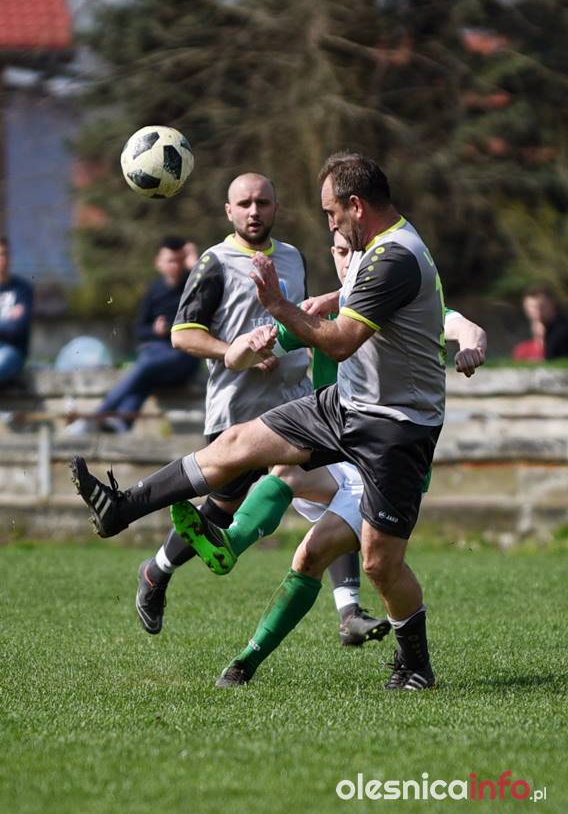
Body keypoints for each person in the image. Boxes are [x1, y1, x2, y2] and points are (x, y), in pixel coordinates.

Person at [71, 152, 448, 691]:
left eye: (331, 213)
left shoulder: (396, 257)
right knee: (238, 443)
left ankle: (415, 665)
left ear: (356, 206)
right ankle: (123, 507)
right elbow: (355, 305)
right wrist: (320, 303)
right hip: (344, 405)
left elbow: (342, 342)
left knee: (379, 564)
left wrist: (277, 304)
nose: (329, 224)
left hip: (397, 427)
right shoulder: (375, 248)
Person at [171, 244, 486, 685]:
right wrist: (244, 347)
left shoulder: (401, 302)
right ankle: (229, 544)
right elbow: (249, 352)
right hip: (338, 453)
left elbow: (466, 327)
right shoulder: (322, 316)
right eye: (338, 251)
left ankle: (251, 660)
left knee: (324, 559)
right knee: (284, 470)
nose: (347, 260)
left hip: (383, 466)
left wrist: (470, 347)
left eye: (354, 251)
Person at [131, 174, 387, 646]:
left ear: (276, 207)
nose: (254, 211)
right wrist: (239, 349)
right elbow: (183, 335)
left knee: (333, 491)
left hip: (295, 403)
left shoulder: (293, 257)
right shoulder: (213, 262)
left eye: (263, 203)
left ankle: (349, 611)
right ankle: (157, 571)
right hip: (237, 409)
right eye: (245, 203)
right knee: (222, 510)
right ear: (229, 211)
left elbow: (301, 318)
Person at [66, 236, 199, 434]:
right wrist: (155, 331)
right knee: (146, 373)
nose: (175, 266)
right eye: (170, 261)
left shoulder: (193, 285)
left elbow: (207, 293)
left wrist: (195, 263)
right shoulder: (154, 290)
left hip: (182, 358)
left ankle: (98, 414)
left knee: (145, 366)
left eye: (179, 261)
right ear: (158, 263)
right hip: (157, 358)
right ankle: (121, 423)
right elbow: (140, 330)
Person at [0, 237, 34, 386]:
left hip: (12, 351)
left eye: (4, 253)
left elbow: (16, 328)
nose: (2, 259)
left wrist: (10, 325)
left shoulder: (22, 289)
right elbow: (9, 326)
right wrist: (7, 321)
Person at [513, 286, 568, 361]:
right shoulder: (523, 349)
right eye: (532, 307)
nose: (538, 311)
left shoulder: (562, 330)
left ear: (552, 304)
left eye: (542, 306)